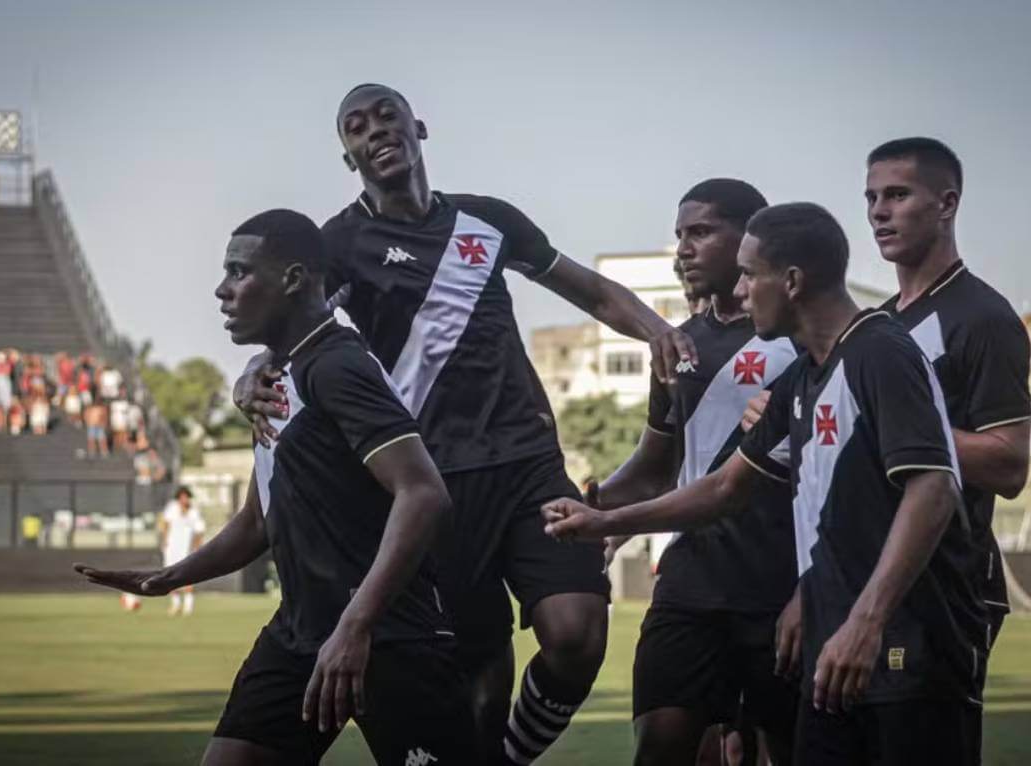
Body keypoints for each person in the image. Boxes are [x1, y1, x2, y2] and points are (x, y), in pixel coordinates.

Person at [233, 83, 695, 765]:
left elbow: (590, 289)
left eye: (386, 116)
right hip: (436, 483)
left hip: (528, 465)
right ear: (348, 156)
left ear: (417, 127)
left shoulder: (488, 219)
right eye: (356, 127)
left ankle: (509, 757)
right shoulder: (341, 242)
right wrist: (252, 372)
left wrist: (657, 329)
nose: (375, 131)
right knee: (477, 682)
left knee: (576, 633)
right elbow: (293, 325)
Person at [543, 202, 985, 765]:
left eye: (751, 274)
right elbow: (725, 489)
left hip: (904, 645)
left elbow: (934, 490)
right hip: (835, 642)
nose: (743, 289)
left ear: (793, 281)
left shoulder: (882, 351)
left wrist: (866, 621)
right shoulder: (802, 380)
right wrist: (604, 522)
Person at [77, 209, 478, 765]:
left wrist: (356, 625)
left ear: (293, 279)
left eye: (239, 272)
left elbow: (423, 493)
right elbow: (256, 521)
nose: (222, 290)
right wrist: (171, 576)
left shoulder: (338, 366)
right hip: (299, 634)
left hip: (389, 637)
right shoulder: (276, 378)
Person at [742, 139, 1031, 733]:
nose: (879, 211)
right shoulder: (879, 325)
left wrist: (890, 427)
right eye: (871, 197)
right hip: (849, 581)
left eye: (897, 195)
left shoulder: (981, 317)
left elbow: (1009, 463)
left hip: (942, 587)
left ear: (947, 203)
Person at [596, 180, 800, 766]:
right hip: (689, 579)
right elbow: (653, 469)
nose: (684, 248)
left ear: (748, 238)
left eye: (701, 232)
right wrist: (591, 509)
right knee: (660, 743)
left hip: (778, 582)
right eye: (680, 235)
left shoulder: (795, 338)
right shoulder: (677, 346)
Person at [159, 486, 206, 616]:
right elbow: (165, 524)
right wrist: (164, 540)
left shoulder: (194, 512)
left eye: (186, 496)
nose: (183, 499)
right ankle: (175, 604)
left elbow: (199, 531)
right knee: (170, 576)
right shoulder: (172, 508)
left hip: (186, 549)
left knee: (187, 577)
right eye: (181, 497)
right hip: (171, 548)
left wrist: (197, 547)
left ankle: (188, 605)